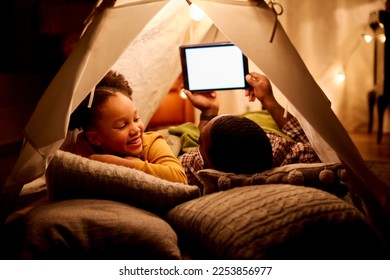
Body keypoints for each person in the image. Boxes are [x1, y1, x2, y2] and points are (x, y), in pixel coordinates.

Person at [179, 72, 321, 187]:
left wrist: (207, 113)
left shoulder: (196, 168)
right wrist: (268, 99)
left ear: (206, 162)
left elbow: (193, 153)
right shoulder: (279, 148)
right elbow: (316, 147)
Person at [68, 70, 188, 184]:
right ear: (95, 138)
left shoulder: (151, 142)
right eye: (122, 126)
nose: (136, 129)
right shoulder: (84, 146)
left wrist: (124, 164)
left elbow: (180, 179)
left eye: (136, 119)